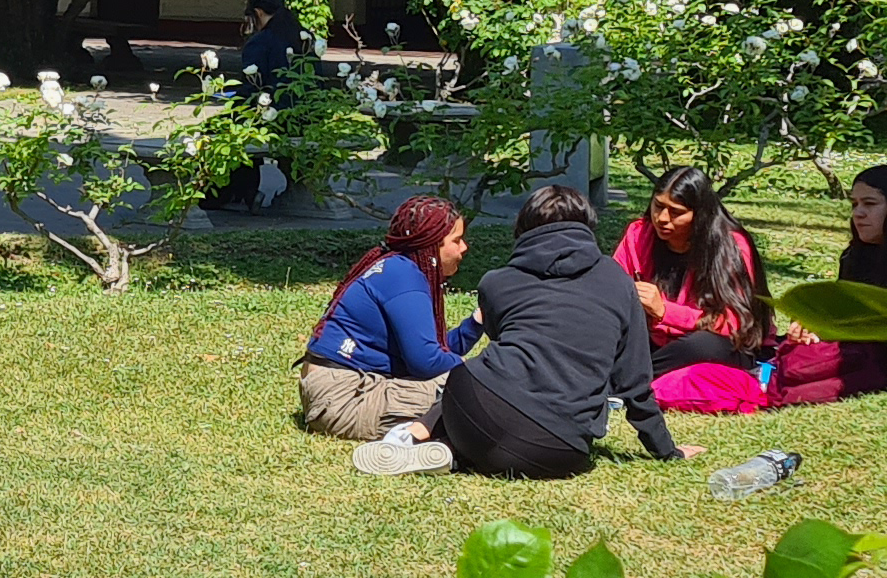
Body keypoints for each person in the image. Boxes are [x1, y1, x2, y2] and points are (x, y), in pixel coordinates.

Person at [354, 185, 694, 478]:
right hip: (558, 449)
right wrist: (667, 451)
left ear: (524, 229)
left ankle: (429, 440)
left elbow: (503, 349)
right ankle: (452, 454)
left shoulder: (496, 283)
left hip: (473, 411)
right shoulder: (618, 282)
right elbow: (634, 385)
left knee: (476, 377)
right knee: (515, 442)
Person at [297, 197, 480, 440]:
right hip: (344, 398)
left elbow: (432, 349)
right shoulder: (403, 277)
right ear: (430, 247)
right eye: (456, 241)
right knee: (471, 389)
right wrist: (479, 371)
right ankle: (421, 441)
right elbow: (426, 362)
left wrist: (477, 322)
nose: (464, 248)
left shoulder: (399, 268)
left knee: (470, 383)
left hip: (341, 389)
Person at [770, 163, 887, 406]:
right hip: (868, 346)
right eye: (854, 205)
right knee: (796, 359)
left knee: (812, 370)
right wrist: (811, 324)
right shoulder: (857, 254)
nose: (858, 214)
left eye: (870, 204)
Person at [613, 166, 773, 411]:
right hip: (653, 342)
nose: (662, 218)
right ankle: (628, 380)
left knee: (701, 345)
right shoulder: (638, 234)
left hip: (716, 344)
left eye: (676, 212)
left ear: (699, 215)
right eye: (658, 206)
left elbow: (734, 323)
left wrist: (665, 312)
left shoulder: (730, 246)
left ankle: (623, 383)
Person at [204, 0, 303, 211]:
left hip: (275, 116)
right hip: (306, 114)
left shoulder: (262, 41)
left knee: (223, 128)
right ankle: (246, 192)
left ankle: (235, 192)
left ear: (257, 13)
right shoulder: (303, 36)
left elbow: (251, 89)